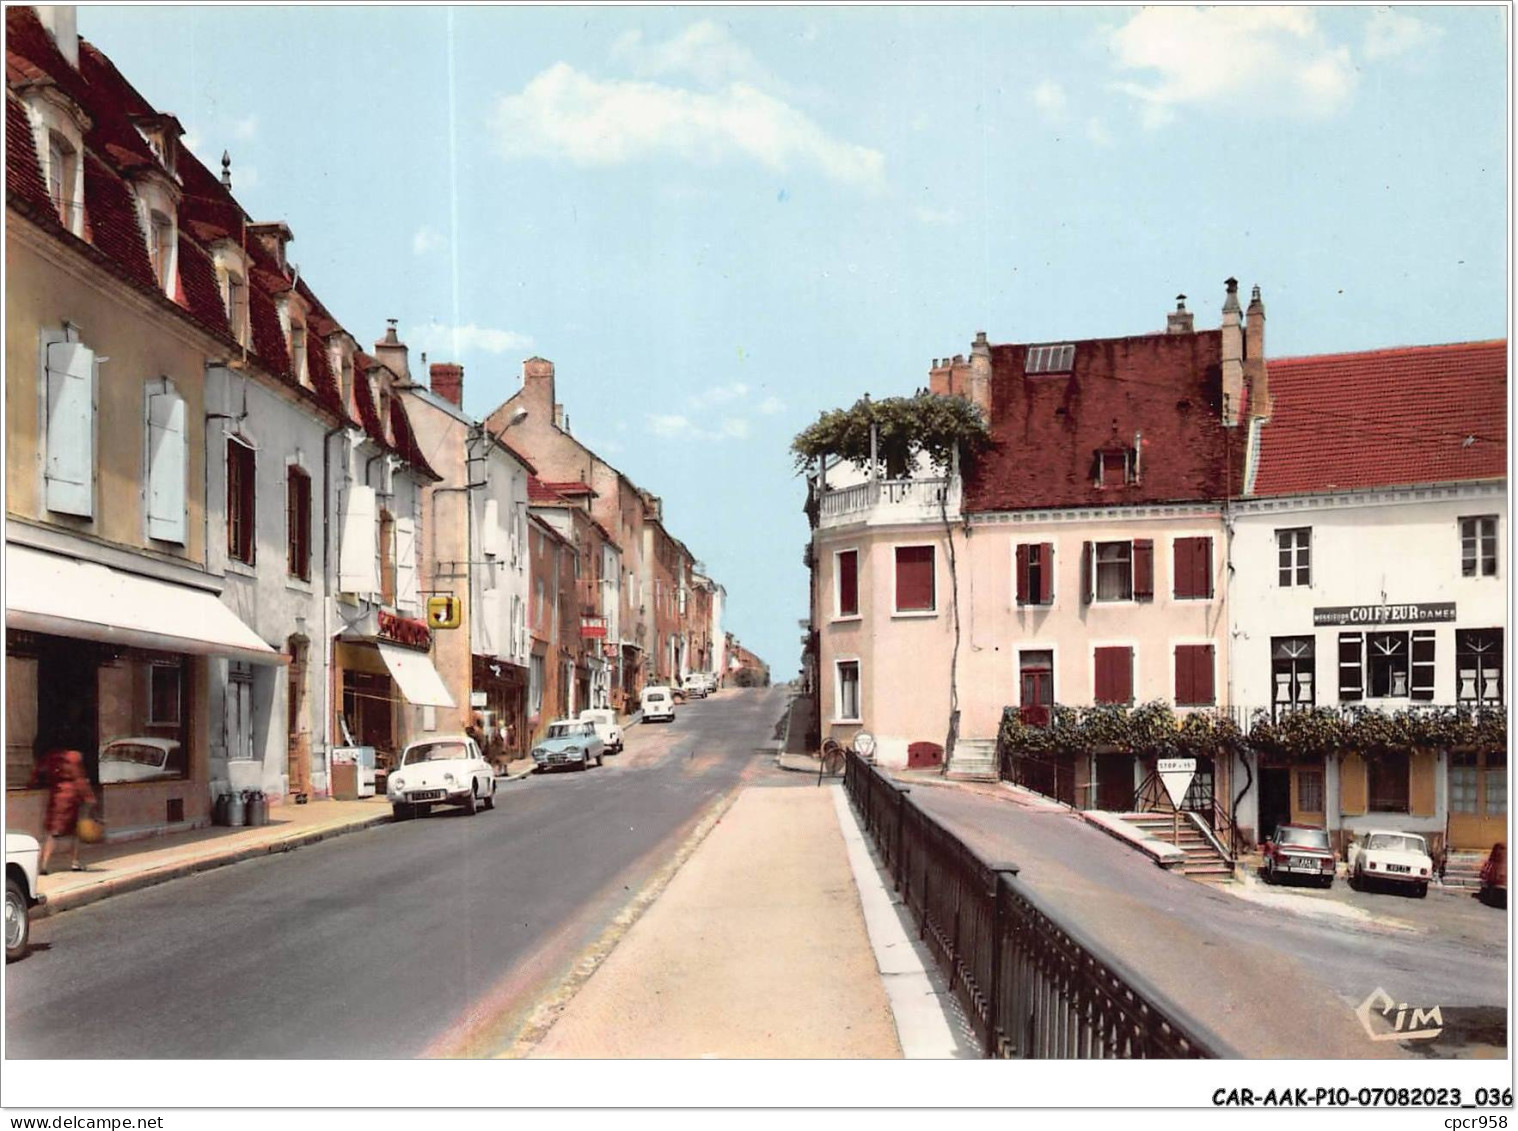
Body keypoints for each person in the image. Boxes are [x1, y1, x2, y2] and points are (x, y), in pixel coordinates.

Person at [32, 748, 97, 875]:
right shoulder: (73, 756)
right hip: (71, 796)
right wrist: (89, 796)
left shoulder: (50, 756)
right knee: (74, 832)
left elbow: (38, 772)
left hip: (56, 794)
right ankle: (75, 862)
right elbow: (79, 778)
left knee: (53, 832)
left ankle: (44, 865)